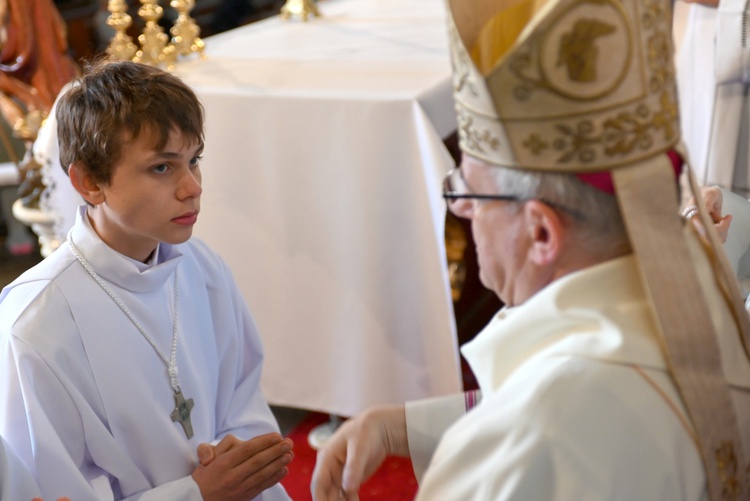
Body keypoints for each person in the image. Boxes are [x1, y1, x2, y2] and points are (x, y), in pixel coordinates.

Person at [311, 0, 750, 498]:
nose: (463, 212)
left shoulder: (528, 440)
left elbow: (550, 414)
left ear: (541, 232)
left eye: (467, 193)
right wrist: (399, 427)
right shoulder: (706, 294)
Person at [0, 59, 293, 500]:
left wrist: (241, 455)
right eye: (162, 167)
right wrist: (197, 494)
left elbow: (243, 400)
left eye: (194, 160)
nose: (192, 186)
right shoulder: (37, 325)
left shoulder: (201, 267)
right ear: (89, 181)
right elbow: (52, 487)